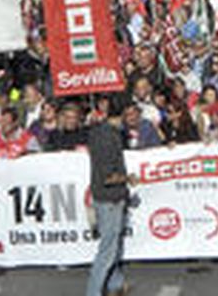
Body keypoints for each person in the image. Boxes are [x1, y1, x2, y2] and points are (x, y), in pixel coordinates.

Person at [86, 99, 138, 296]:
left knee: (114, 245)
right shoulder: (110, 138)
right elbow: (109, 176)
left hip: (102, 196)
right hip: (110, 198)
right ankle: (93, 292)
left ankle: (115, 284)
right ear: (121, 116)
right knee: (107, 251)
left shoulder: (97, 132)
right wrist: (128, 178)